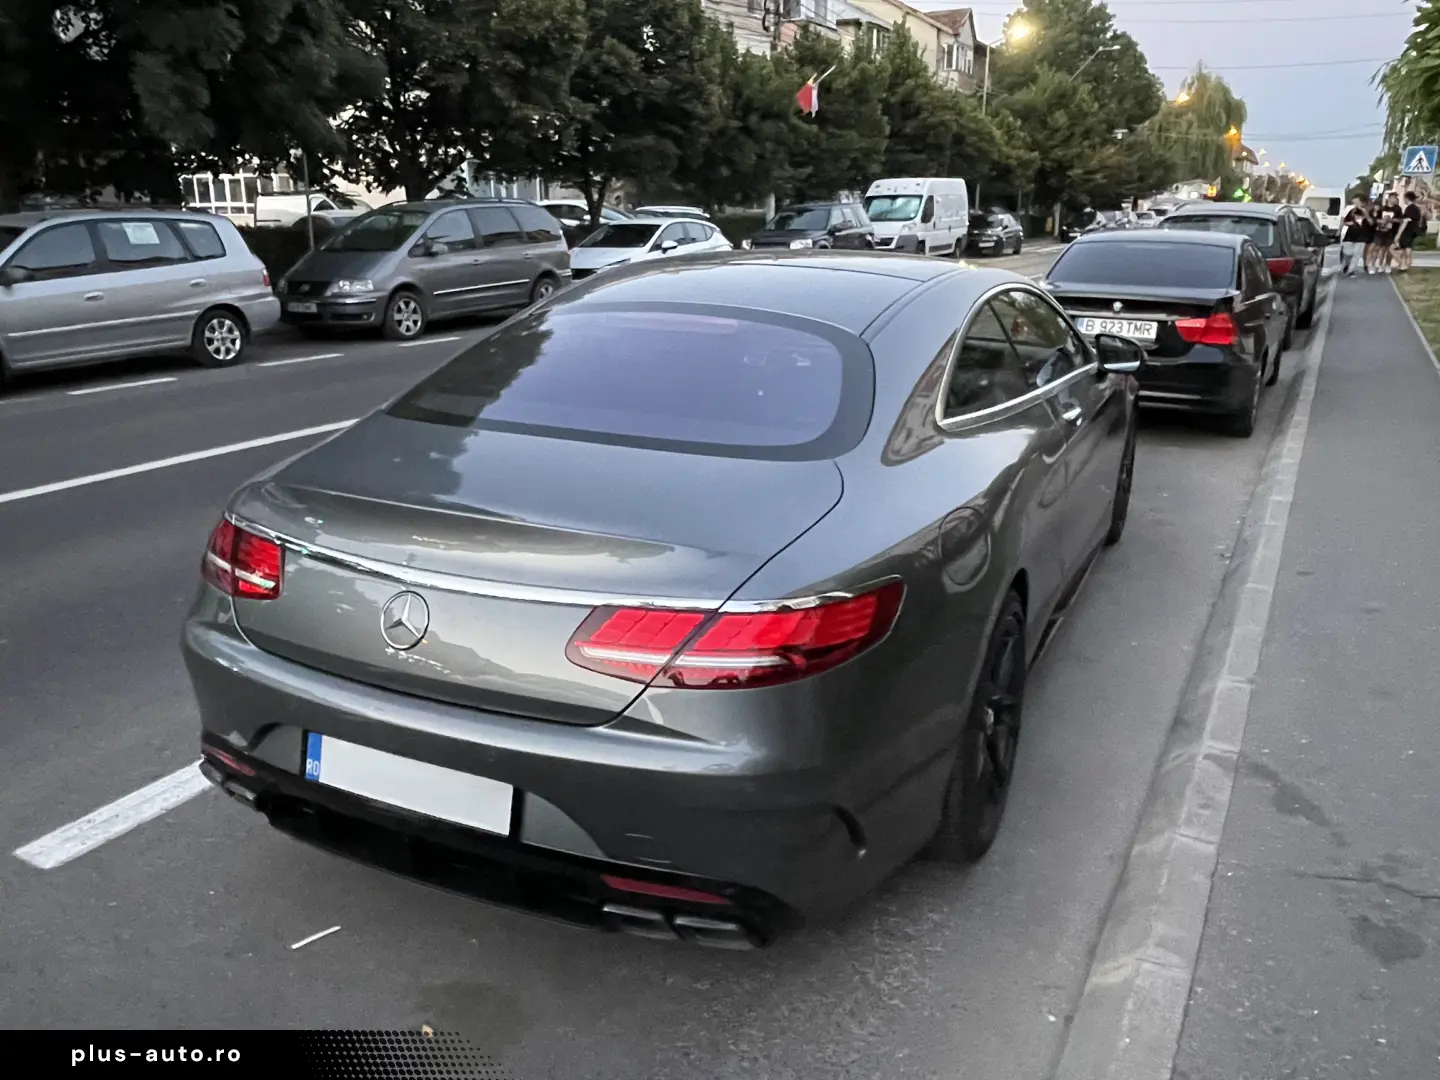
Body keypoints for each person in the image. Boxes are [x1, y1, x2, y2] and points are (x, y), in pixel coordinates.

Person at [1371, 192, 1403, 274]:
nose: (1395, 199)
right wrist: (1382, 222)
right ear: (1389, 198)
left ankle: (1387, 265)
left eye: (1396, 198)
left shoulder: (1398, 209)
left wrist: (1390, 220)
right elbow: (1376, 219)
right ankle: (1373, 265)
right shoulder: (1382, 208)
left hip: (1391, 232)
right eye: (1394, 198)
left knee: (1389, 249)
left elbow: (1400, 220)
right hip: (1380, 231)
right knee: (1377, 248)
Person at [1395, 191, 1426, 272]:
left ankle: (1404, 266)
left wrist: (1398, 235)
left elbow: (1405, 222)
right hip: (1414, 231)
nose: (1403, 200)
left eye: (1403, 198)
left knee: (1402, 249)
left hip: (1408, 231)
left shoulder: (1410, 208)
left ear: (1406, 198)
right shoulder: (1416, 208)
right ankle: (1406, 266)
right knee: (1407, 249)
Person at [1340, 196, 1370, 277]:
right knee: (1347, 252)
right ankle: (1347, 264)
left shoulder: (1367, 211)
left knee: (1356, 254)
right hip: (1350, 235)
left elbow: (1371, 222)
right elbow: (1345, 221)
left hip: (1362, 236)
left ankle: (1350, 271)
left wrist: (1365, 214)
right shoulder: (1352, 211)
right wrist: (1349, 223)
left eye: (1359, 201)